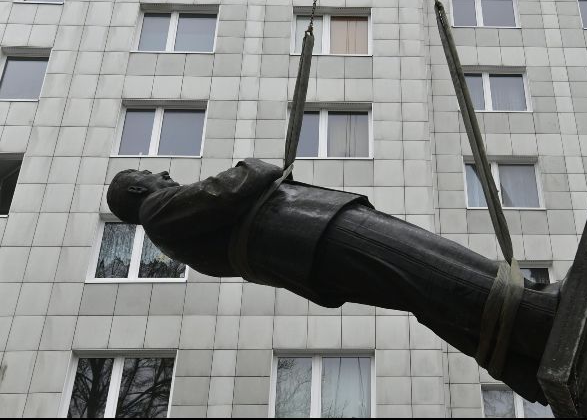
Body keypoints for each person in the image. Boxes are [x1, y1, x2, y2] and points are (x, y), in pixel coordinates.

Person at [107, 158, 563, 404]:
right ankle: (537, 319)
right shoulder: (158, 211)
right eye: (149, 174)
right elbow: (242, 182)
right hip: (307, 233)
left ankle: (524, 356)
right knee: (424, 264)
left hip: (305, 243)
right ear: (135, 191)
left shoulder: (166, 226)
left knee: (422, 284)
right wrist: (253, 166)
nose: (163, 173)